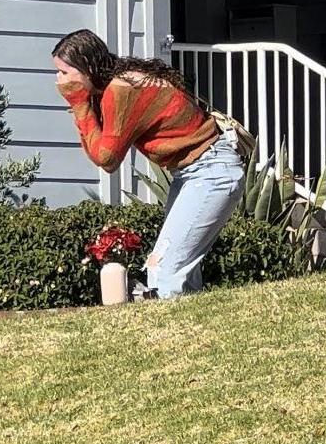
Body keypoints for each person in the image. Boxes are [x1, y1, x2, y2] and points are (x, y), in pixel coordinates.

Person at [52, 29, 243, 298]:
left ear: (87, 68)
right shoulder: (114, 86)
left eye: (63, 72)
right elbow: (100, 151)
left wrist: (79, 105)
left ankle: (170, 334)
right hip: (196, 172)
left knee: (163, 270)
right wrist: (83, 105)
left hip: (210, 171)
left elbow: (107, 159)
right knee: (179, 271)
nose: (58, 81)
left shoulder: (122, 90)